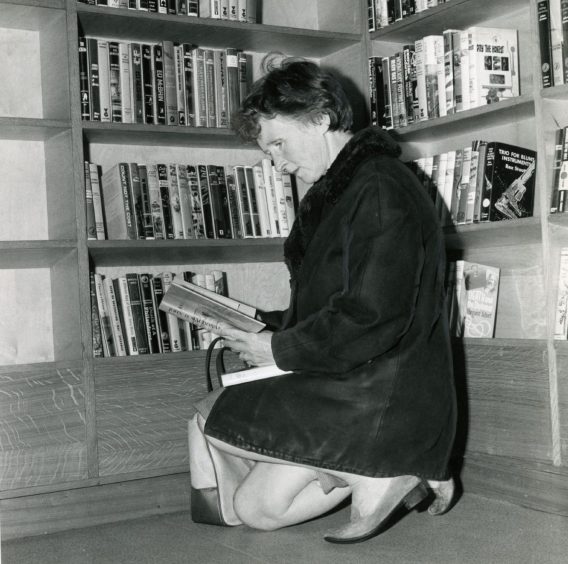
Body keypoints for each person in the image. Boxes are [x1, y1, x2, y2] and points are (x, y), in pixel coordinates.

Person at [188, 56, 457, 544]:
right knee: (256, 509)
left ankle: (384, 467)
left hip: (380, 391)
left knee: (211, 416)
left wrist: (279, 350)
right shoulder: (345, 190)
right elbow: (332, 306)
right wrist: (254, 326)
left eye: (277, 142)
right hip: (355, 377)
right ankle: (381, 470)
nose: (275, 161)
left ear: (320, 117)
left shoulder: (377, 187)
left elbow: (373, 316)